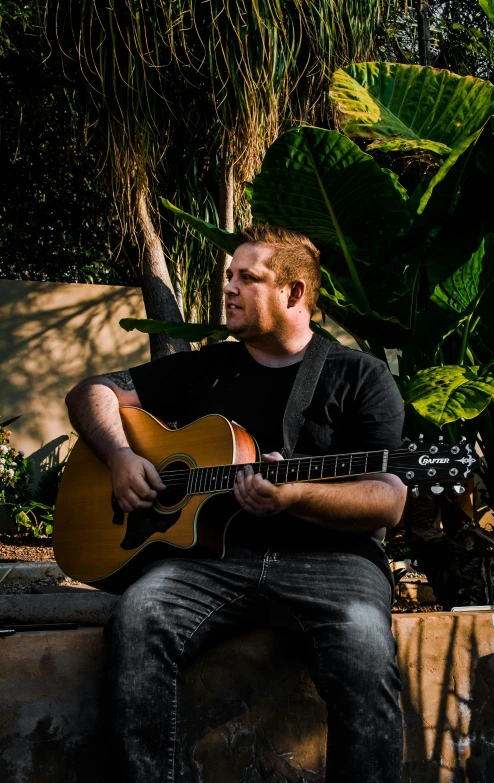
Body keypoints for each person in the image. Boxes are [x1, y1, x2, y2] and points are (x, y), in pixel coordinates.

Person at [65, 224, 407, 783]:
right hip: (213, 560)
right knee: (140, 618)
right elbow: (92, 391)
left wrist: (296, 495)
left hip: (333, 564)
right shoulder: (212, 364)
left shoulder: (359, 376)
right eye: (229, 275)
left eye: (248, 278)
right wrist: (122, 457)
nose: (228, 288)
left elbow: (388, 499)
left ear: (294, 293)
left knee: (365, 649)